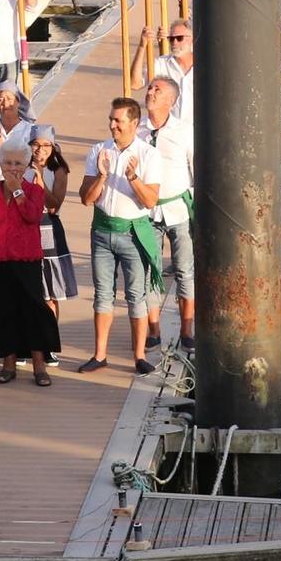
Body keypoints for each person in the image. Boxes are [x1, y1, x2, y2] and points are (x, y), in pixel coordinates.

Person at [77, 97, 161, 375]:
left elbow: (150, 201)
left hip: (132, 233)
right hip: (102, 230)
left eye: (118, 120)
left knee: (136, 296)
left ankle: (139, 356)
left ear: (134, 123)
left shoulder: (148, 155)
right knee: (103, 295)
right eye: (111, 120)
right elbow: (86, 200)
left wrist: (133, 178)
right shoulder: (99, 150)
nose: (112, 125)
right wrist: (101, 176)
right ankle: (100, 354)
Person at [0, 142, 60, 385]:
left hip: (27, 258)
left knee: (32, 311)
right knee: (3, 313)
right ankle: (8, 364)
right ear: (0, 165)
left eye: (17, 164)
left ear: (26, 165)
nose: (13, 168)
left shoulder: (34, 191)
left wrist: (17, 192)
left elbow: (33, 216)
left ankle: (39, 366)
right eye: (8, 163)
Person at [141, 75, 195, 353]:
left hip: (178, 210)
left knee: (185, 270)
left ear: (170, 101)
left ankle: (187, 330)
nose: (150, 92)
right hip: (147, 211)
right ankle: (154, 330)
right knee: (150, 271)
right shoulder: (138, 131)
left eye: (157, 90)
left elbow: (195, 169)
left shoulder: (184, 131)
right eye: (150, 88)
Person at [26, 124, 76, 318]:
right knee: (30, 288)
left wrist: (40, 184)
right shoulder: (21, 165)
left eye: (46, 145)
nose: (40, 150)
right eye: (36, 144)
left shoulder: (58, 170)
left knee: (49, 292)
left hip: (48, 227)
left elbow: (55, 205)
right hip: (26, 227)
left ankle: (50, 339)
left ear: (53, 147)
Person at [129, 19, 195, 123]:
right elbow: (134, 84)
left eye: (179, 38)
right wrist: (142, 46)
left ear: (192, 39)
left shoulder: (206, 65)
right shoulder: (161, 63)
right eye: (171, 39)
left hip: (199, 130)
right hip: (169, 130)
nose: (175, 42)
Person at [0, 85, 34, 179]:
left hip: (23, 181)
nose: (5, 104)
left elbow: (33, 159)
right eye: (1, 100)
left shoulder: (30, 129)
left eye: (10, 99)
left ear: (18, 102)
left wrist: (3, 149)